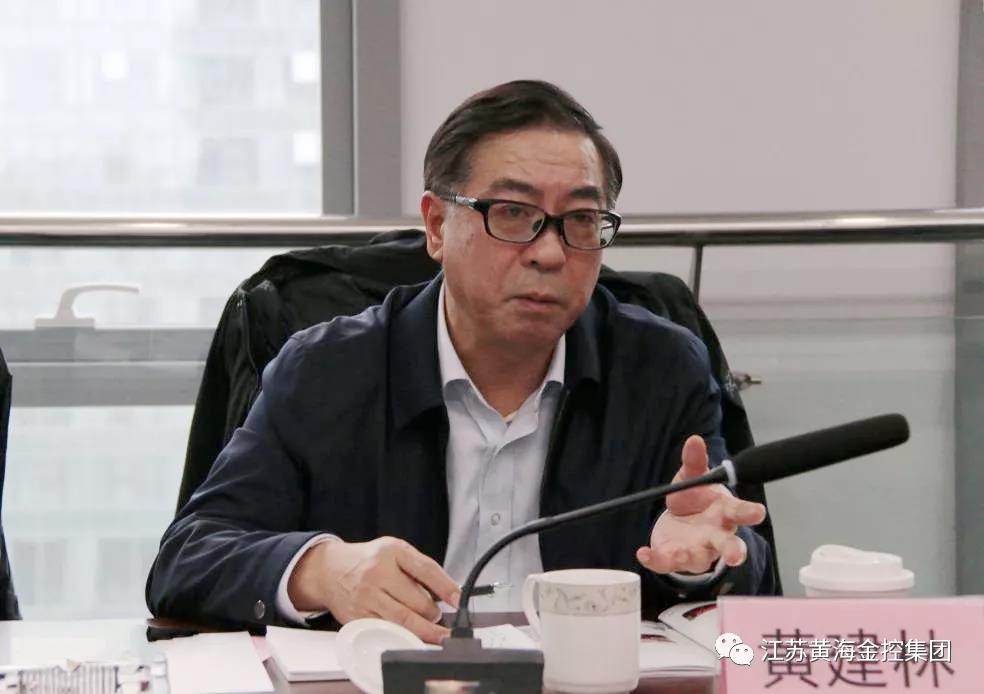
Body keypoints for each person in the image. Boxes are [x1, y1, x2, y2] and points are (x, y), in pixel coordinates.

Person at [146, 80, 775, 644]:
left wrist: (703, 563)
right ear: (436, 225)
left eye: (581, 220)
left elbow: (741, 565)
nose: (550, 253)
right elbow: (188, 556)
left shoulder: (660, 368)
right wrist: (323, 569)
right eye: (513, 213)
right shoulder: (327, 370)